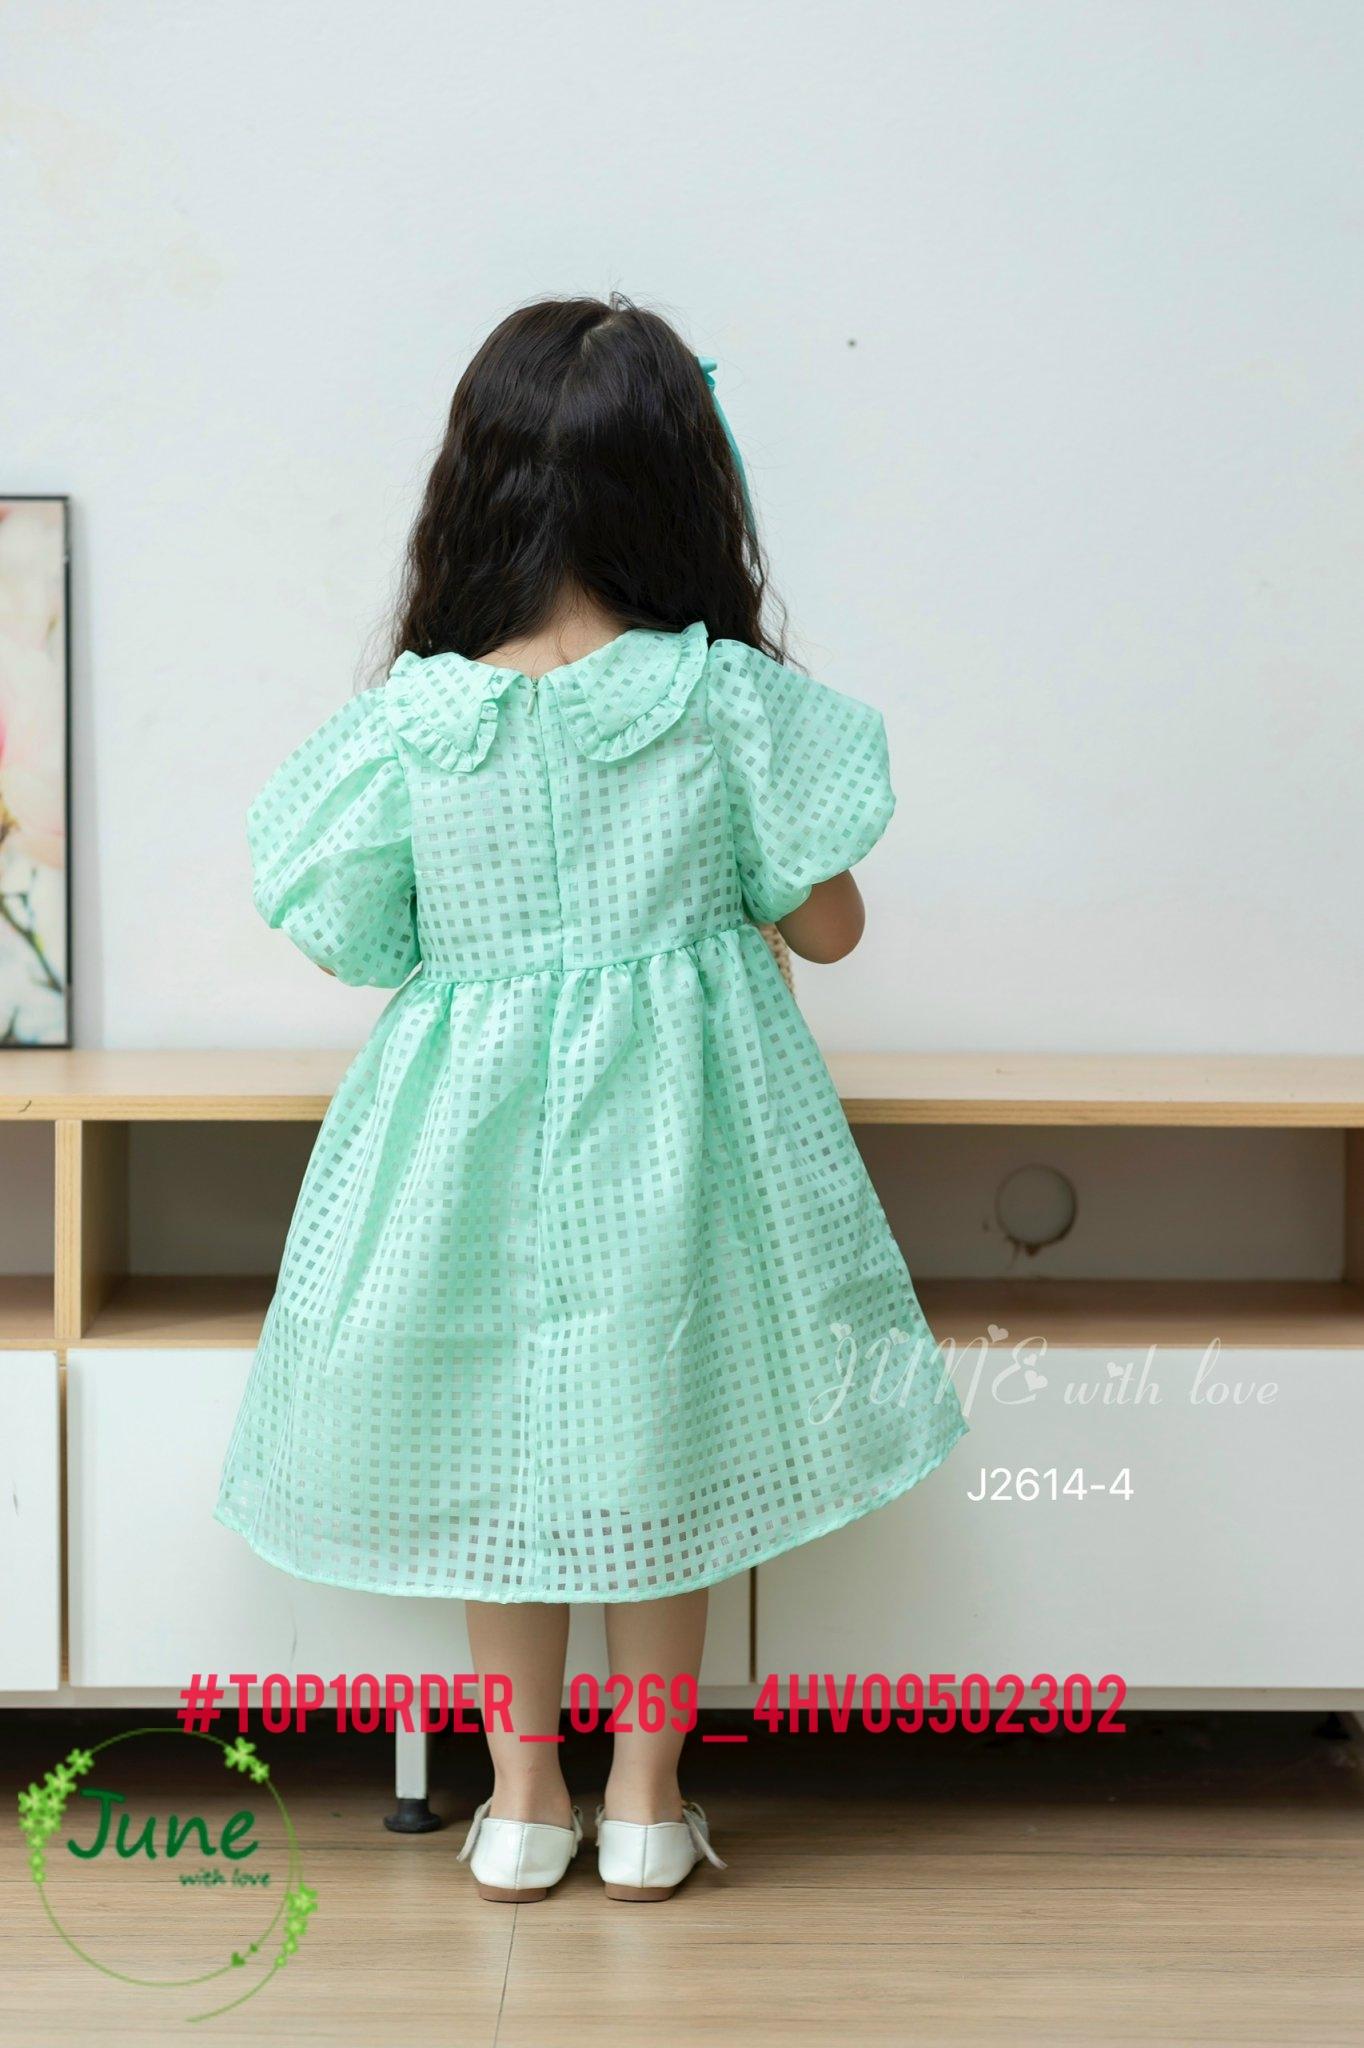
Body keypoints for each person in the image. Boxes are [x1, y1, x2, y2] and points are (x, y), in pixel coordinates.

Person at [214, 294, 968, 1902]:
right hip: (680, 1138)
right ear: (681, 487)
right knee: (656, 1459)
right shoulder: (718, 701)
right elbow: (830, 928)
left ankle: (517, 1803)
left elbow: (356, 936)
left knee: (498, 1464)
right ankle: (645, 1802)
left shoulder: (421, 719)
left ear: (474, 488)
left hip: (463, 1143)